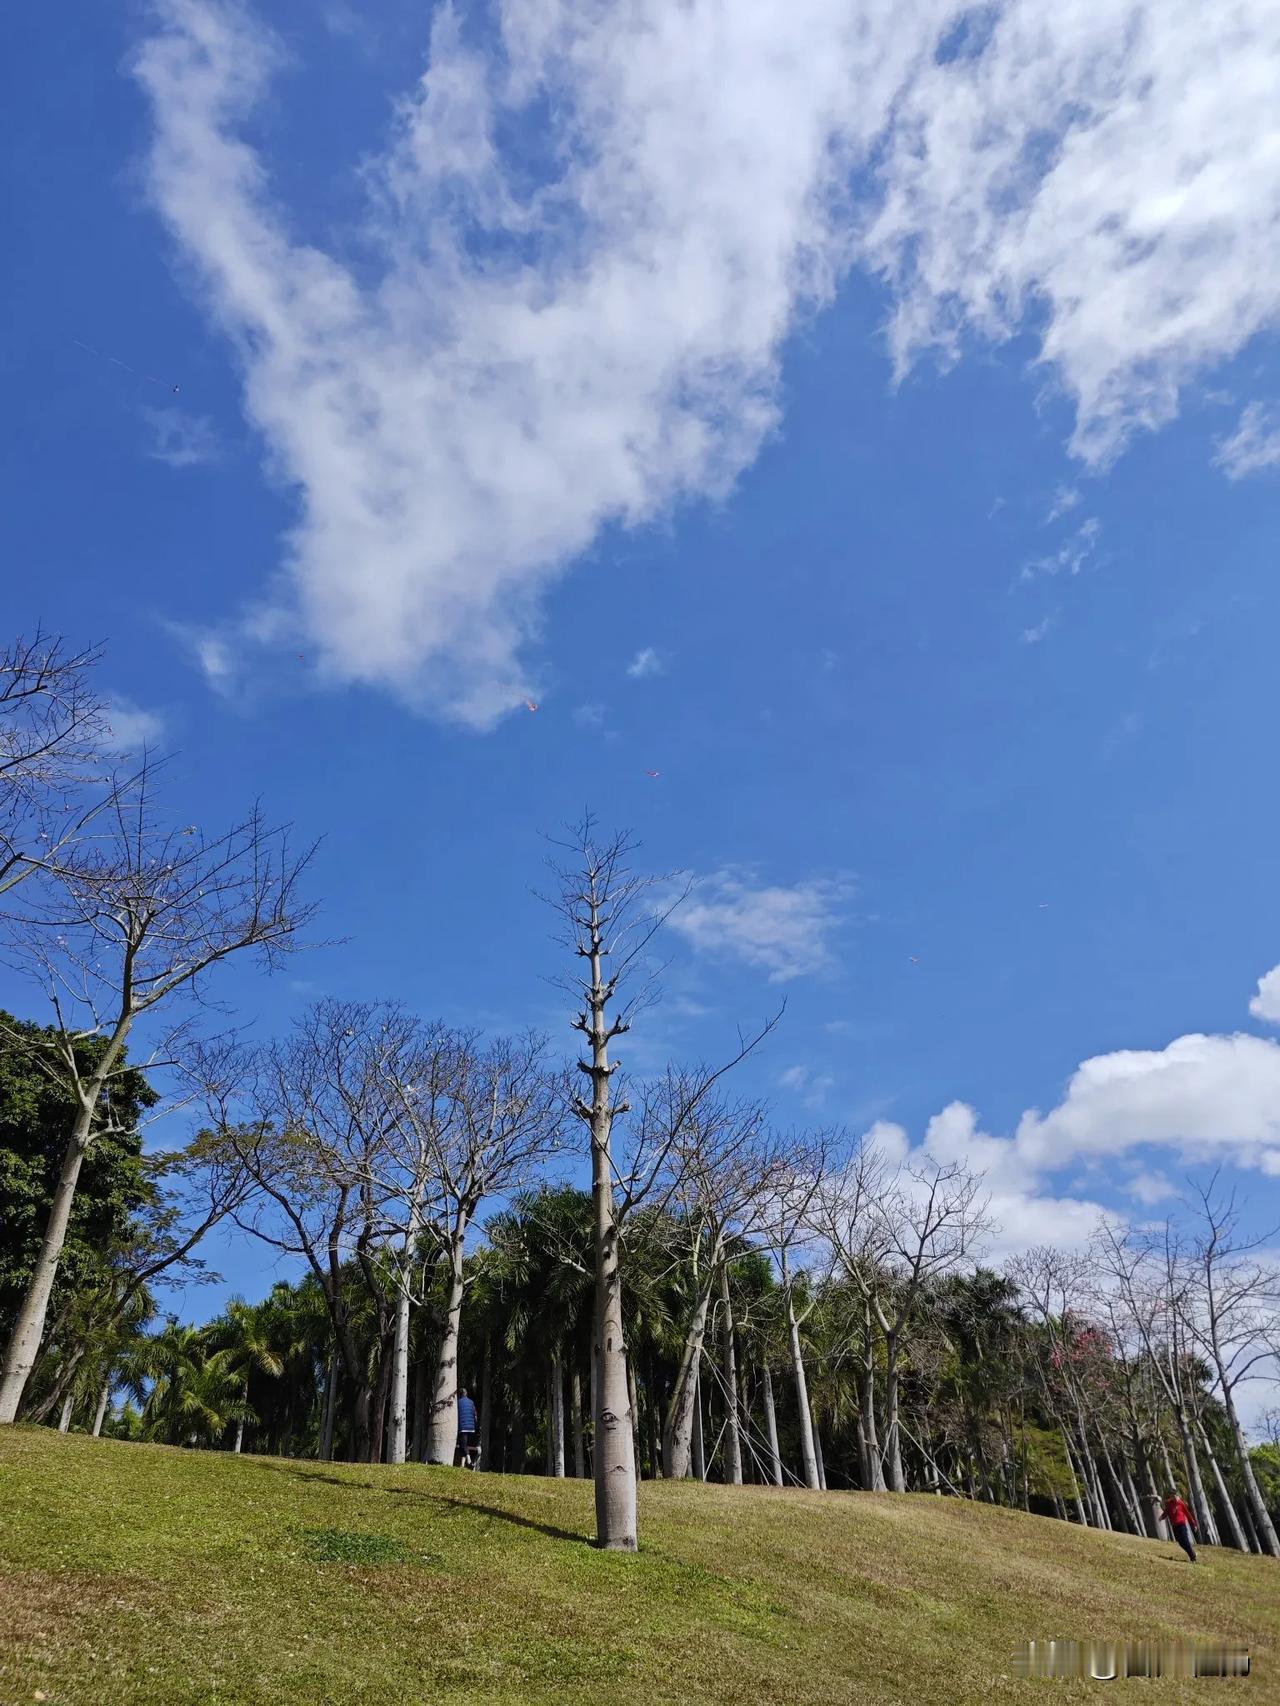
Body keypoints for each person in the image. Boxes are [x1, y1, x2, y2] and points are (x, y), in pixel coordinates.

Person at [1162, 1489, 1199, 1562]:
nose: (1174, 1497)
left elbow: (1188, 1514)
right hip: (1174, 1526)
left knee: (1185, 1541)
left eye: (1175, 1495)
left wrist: (1194, 1524)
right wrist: (1162, 1517)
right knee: (1180, 1542)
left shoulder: (1181, 1503)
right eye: (1172, 1496)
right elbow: (1166, 1511)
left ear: (1177, 1495)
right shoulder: (1169, 1504)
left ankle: (1193, 1557)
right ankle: (1192, 1553)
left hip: (1182, 1525)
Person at [456, 1387, 480, 1470]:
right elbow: (475, 1415)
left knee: (463, 1444)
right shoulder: (471, 1402)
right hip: (471, 1427)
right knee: (463, 1444)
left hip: (463, 1427)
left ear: (459, 1395)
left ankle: (469, 1460)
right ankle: (462, 1464)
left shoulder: (458, 1403)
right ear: (466, 1394)